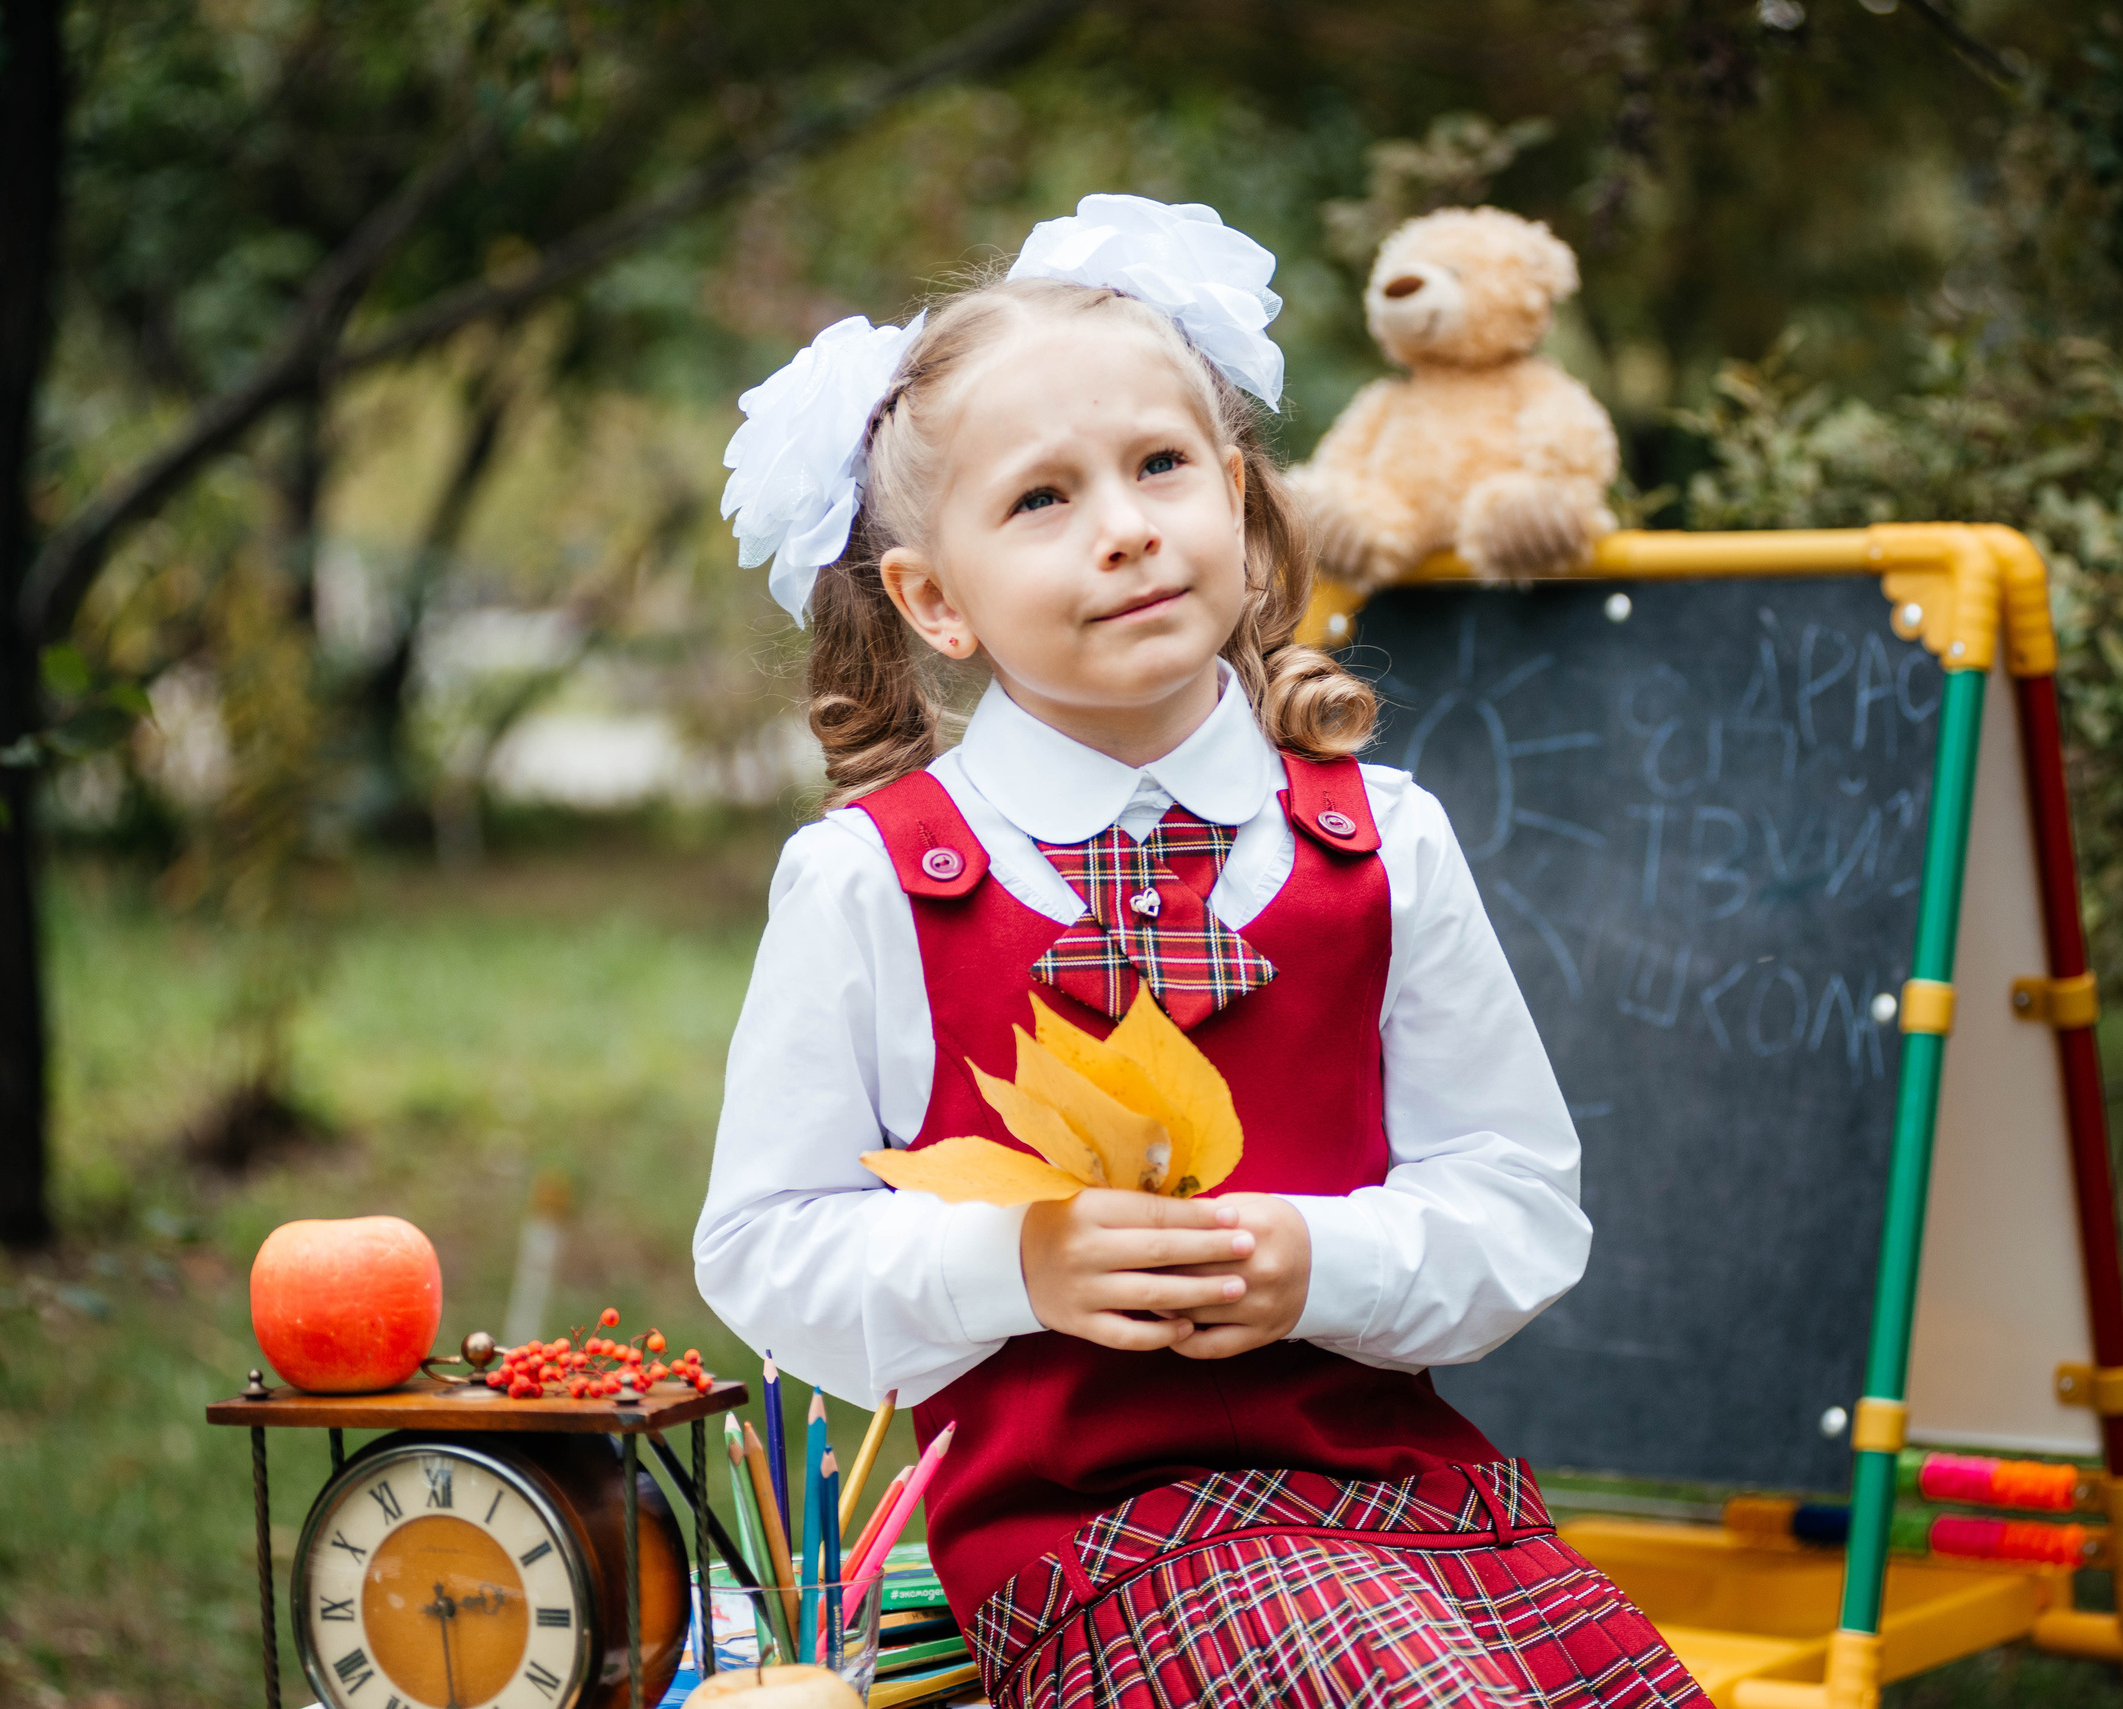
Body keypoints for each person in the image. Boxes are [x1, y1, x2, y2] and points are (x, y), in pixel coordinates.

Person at [694, 195, 1703, 1708]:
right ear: (934, 600)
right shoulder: (876, 884)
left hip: (1410, 1507)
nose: (1125, 525)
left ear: (1236, 499)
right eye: (1041, 499)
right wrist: (1017, 1259)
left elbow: (1519, 1207)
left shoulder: (1378, 844)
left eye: (1162, 465)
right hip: (1090, 1541)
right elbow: (765, 1244)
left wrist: (1317, 1261)